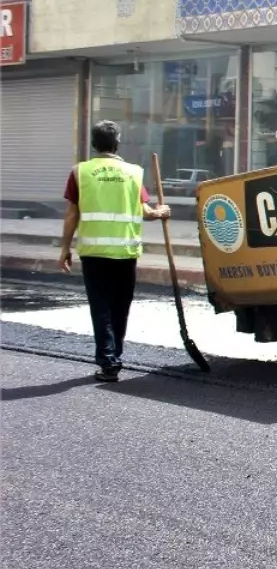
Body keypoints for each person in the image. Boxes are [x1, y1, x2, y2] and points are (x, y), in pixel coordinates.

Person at [59, 121, 172, 382]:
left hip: (94, 254)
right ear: (117, 142)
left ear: (93, 143)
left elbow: (71, 214)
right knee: (120, 308)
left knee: (101, 308)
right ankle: (114, 356)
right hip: (125, 253)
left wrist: (65, 248)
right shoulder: (133, 172)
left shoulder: (80, 172)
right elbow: (145, 211)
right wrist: (160, 212)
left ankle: (109, 362)